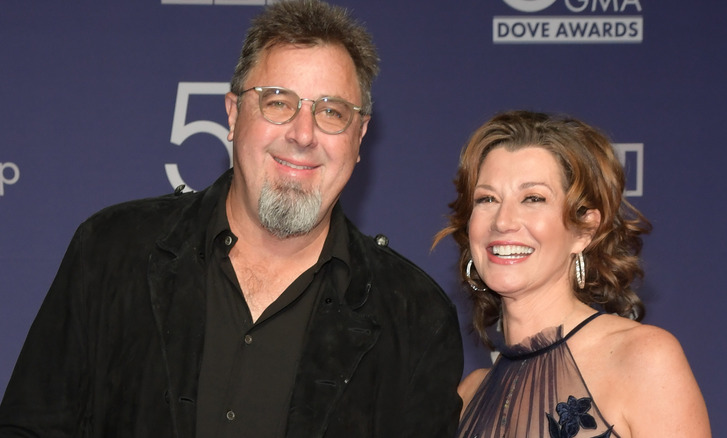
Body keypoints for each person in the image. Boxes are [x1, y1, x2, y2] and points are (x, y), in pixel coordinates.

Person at [0, 1, 463, 436]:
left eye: (331, 112)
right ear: (233, 113)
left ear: (359, 138)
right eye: (278, 102)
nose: (303, 134)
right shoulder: (110, 252)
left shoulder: (415, 318)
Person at [433, 110, 710, 437]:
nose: (503, 221)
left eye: (533, 198)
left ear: (585, 230)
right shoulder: (468, 396)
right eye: (487, 199)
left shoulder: (643, 361)